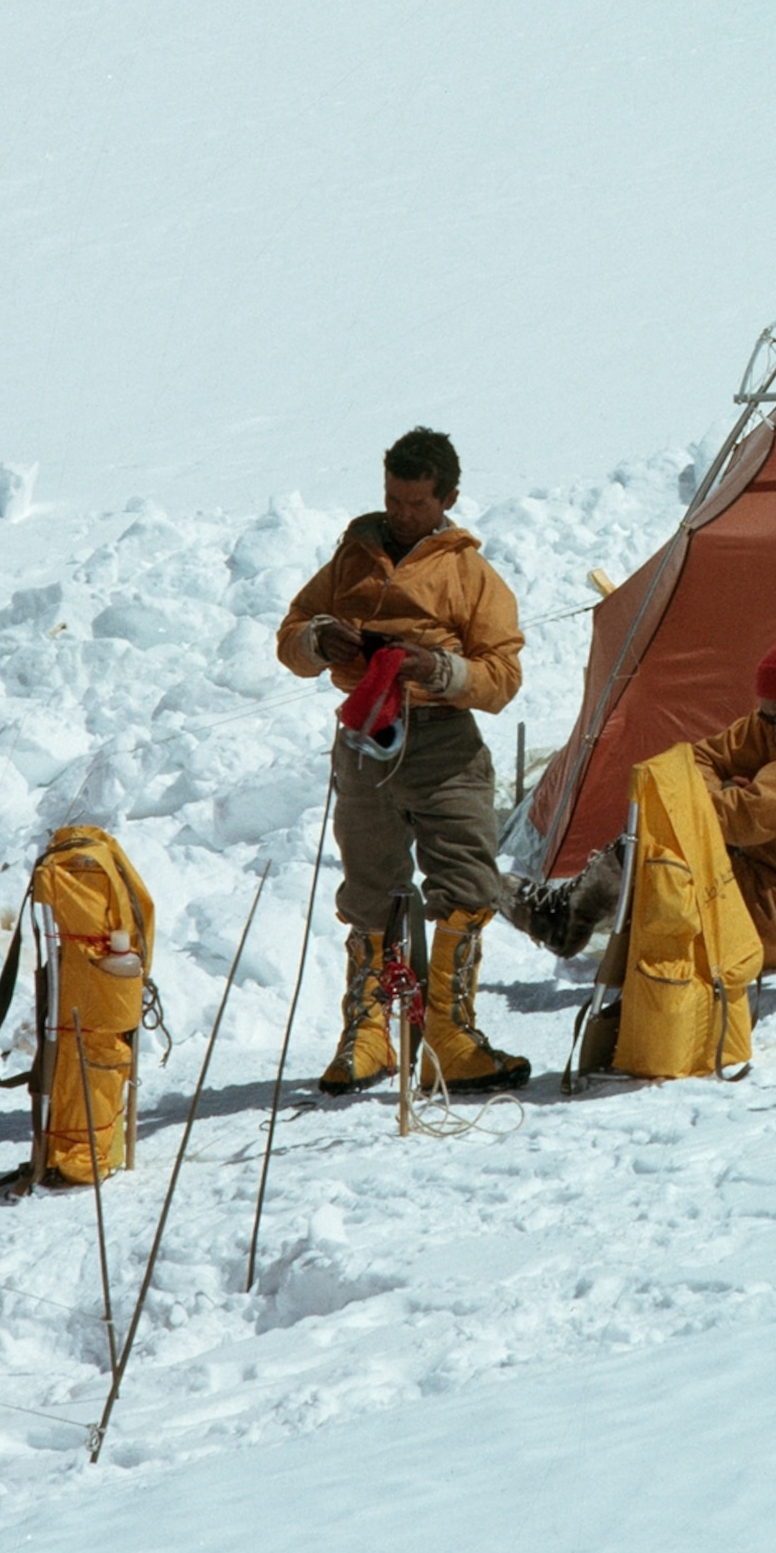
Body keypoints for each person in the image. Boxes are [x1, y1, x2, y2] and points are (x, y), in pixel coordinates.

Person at [277, 427, 530, 1095]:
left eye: (417, 503)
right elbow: (290, 637)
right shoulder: (352, 557)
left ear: (447, 499)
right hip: (366, 734)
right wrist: (319, 639)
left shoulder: (469, 574)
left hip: (443, 739)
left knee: (466, 883)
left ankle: (449, 1034)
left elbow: (502, 677)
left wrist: (439, 668)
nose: (402, 513)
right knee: (370, 888)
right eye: (394, 498)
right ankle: (367, 1033)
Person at [509, 641, 776, 975]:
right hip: (771, 884)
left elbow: (737, 818)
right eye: (768, 718)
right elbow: (697, 759)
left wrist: (692, 801)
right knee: (672, 832)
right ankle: (579, 915)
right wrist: (711, 788)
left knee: (666, 847)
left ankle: (575, 918)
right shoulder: (775, 728)